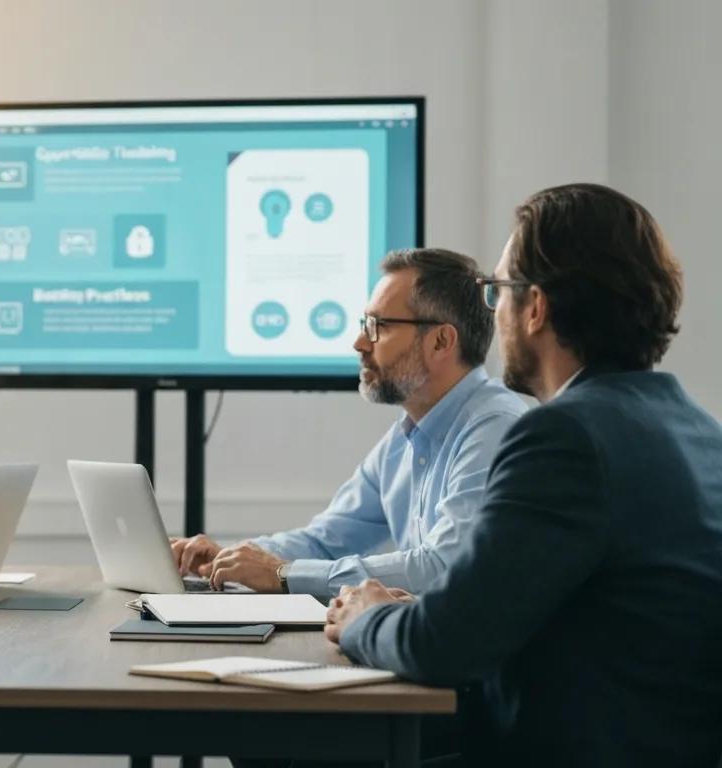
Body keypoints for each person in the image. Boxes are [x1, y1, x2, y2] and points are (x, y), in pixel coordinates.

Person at [327, 183, 722, 765]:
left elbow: (443, 645)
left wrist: (366, 616)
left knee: (284, 741)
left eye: (498, 291)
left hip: (556, 751)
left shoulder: (565, 437)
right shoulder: (698, 428)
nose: (493, 311)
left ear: (535, 307)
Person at [171, 249, 526, 599]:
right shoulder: (404, 437)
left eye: (378, 327)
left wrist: (283, 574)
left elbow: (444, 566)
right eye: (363, 325)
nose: (359, 343)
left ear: (441, 341)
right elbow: (325, 541)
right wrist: (230, 558)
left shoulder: (495, 429)